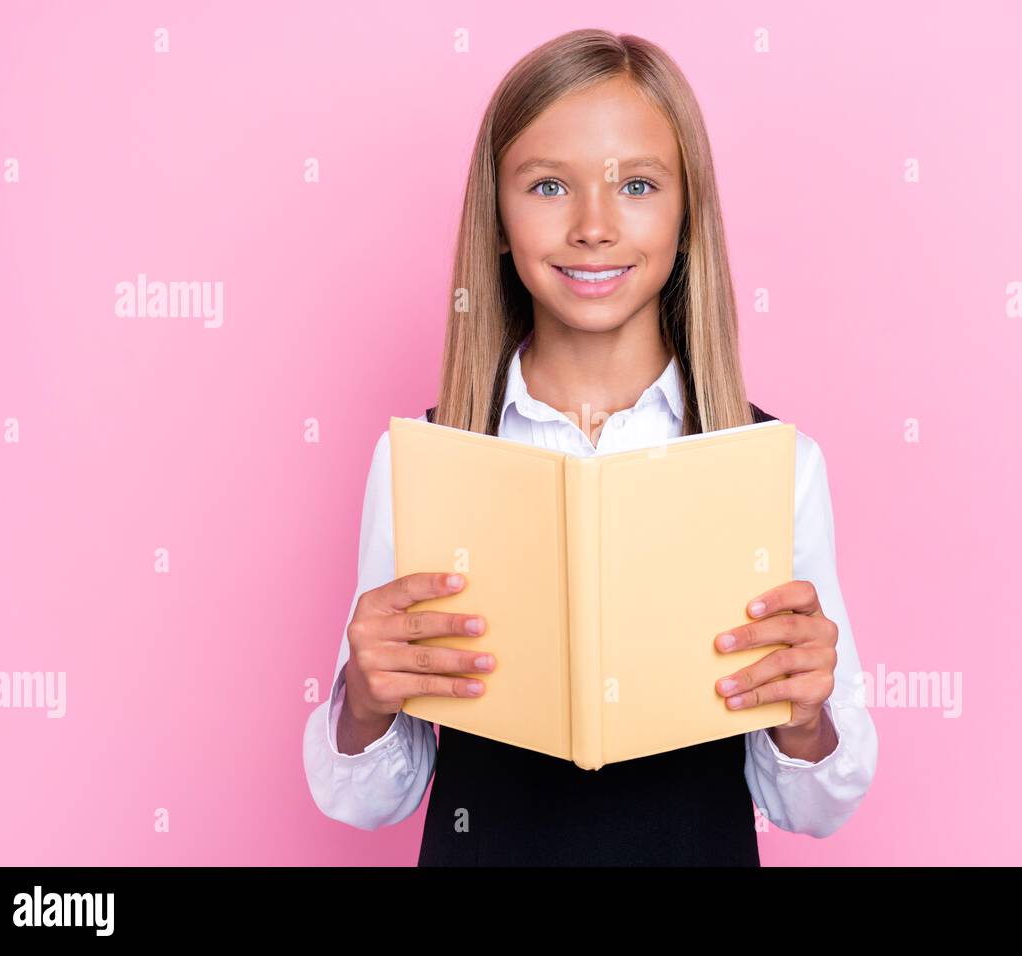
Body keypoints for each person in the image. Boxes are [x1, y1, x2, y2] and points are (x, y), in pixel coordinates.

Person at [303, 28, 878, 866]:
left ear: (687, 218)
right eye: (547, 187)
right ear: (498, 219)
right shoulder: (425, 459)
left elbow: (813, 810)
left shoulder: (773, 464)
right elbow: (366, 800)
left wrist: (804, 715)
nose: (594, 227)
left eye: (638, 184)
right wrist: (364, 699)